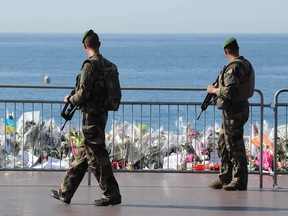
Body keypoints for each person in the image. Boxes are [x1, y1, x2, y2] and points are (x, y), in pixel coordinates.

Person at [50, 29, 121, 206]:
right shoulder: (109, 65)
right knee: (83, 154)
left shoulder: (90, 66)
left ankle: (112, 193)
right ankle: (65, 191)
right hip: (102, 114)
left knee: (97, 154)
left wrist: (70, 99)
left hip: (91, 117)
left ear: (84, 46)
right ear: (99, 44)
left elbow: (82, 94)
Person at [207, 37, 255, 191]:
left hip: (234, 111)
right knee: (224, 144)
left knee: (235, 146)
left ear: (225, 51)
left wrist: (213, 90)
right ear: (237, 48)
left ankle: (239, 180)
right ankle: (225, 176)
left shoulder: (233, 68)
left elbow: (230, 92)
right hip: (237, 109)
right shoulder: (245, 64)